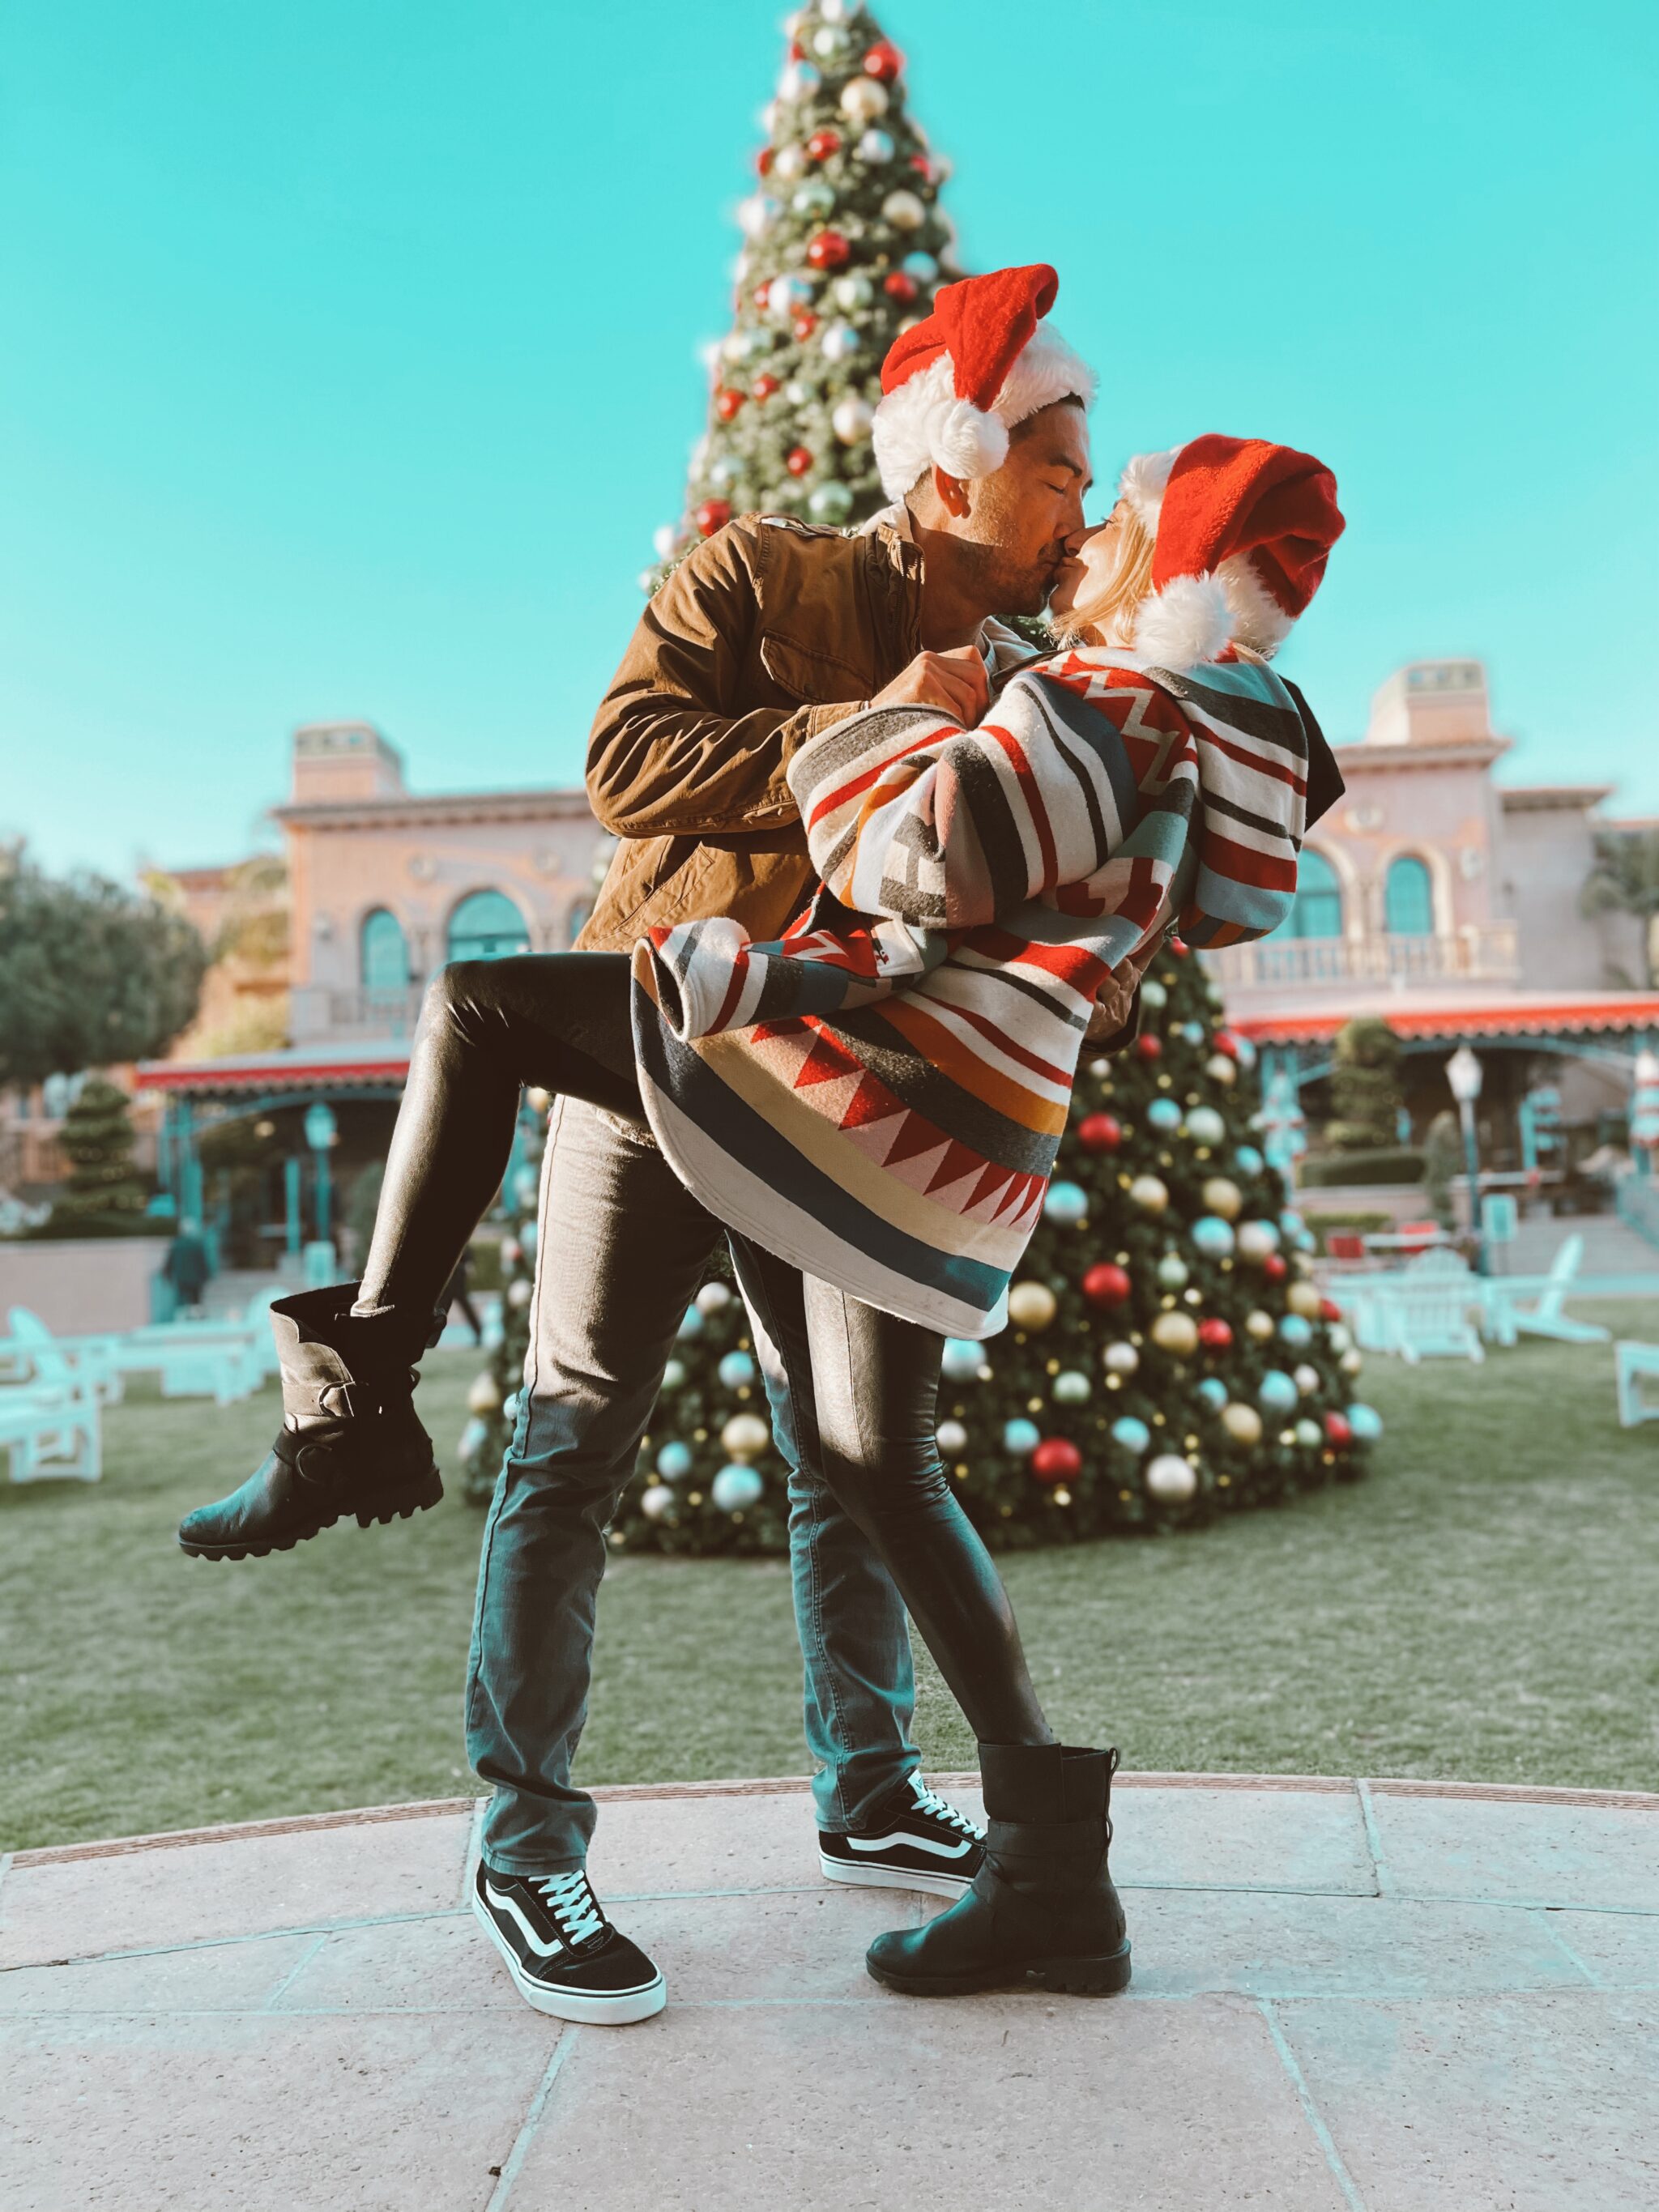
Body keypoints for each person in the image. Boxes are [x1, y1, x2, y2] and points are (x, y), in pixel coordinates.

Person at [179, 264, 1125, 2025]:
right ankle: (523, 1842)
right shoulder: (756, 573)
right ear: (950, 475)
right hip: (644, 1066)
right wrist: (868, 732)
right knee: (568, 1450)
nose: (1090, 501)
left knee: (845, 1461)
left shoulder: (1034, 686)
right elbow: (629, 763)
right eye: (1063, 466)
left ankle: (868, 1790)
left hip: (842, 1106)